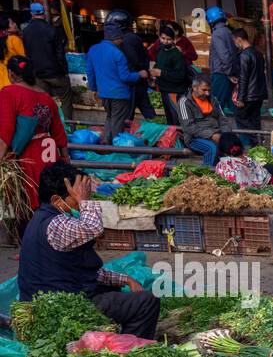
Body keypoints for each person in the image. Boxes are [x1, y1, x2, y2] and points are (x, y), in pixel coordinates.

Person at [17, 162, 160, 338]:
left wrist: (126, 279)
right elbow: (93, 228)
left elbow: (79, 269)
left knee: (115, 292)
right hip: (62, 310)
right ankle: (130, 350)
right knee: (146, 302)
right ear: (56, 200)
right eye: (75, 198)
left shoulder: (42, 218)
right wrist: (85, 200)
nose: (79, 205)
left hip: (60, 297)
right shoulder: (55, 224)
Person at [0, 55, 67, 213]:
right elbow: (59, 133)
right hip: (49, 160)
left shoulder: (9, 92)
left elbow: (5, 131)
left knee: (25, 205)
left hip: (25, 159)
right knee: (48, 202)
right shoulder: (46, 97)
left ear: (11, 73)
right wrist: (65, 159)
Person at [86, 26, 147, 144]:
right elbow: (125, 77)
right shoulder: (118, 54)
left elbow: (90, 72)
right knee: (118, 122)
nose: (122, 41)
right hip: (119, 94)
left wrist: (94, 88)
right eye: (121, 38)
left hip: (104, 93)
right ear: (116, 38)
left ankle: (106, 144)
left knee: (110, 118)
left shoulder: (93, 50)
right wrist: (139, 74)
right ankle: (115, 149)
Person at [19, 1, 71, 121]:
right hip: (55, 74)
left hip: (38, 74)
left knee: (43, 103)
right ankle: (68, 126)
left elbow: (28, 54)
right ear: (44, 13)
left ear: (32, 14)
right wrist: (65, 71)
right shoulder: (52, 30)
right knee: (66, 100)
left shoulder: (26, 32)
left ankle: (47, 128)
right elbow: (60, 54)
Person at [176, 73, 224, 167]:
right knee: (211, 148)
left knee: (233, 146)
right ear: (194, 87)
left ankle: (222, 174)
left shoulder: (213, 99)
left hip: (216, 134)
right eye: (204, 90)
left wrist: (227, 135)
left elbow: (223, 119)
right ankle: (206, 176)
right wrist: (211, 135)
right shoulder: (184, 102)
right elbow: (189, 127)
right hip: (194, 138)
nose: (207, 93)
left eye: (209, 90)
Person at [230, 27, 267, 142]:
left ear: (239, 39)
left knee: (241, 117)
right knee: (255, 118)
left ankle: (256, 138)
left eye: (235, 42)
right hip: (259, 93)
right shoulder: (258, 54)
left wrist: (240, 98)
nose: (235, 45)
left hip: (249, 95)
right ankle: (258, 141)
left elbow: (244, 78)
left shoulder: (244, 55)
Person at [152, 25, 192, 126]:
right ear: (159, 37)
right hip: (162, 91)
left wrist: (161, 73)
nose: (165, 41)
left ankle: (180, 141)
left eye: (168, 39)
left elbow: (180, 76)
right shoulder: (160, 51)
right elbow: (160, 64)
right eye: (163, 38)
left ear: (174, 39)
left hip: (174, 93)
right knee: (168, 122)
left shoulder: (177, 55)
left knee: (177, 122)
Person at [206, 6, 238, 114]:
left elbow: (225, 56)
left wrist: (228, 74)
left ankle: (215, 130)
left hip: (221, 74)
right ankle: (243, 129)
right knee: (233, 106)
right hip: (228, 73)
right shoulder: (228, 31)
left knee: (215, 107)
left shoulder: (216, 34)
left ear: (210, 21)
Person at [0, 12, 25, 90]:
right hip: (13, 78)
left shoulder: (2, 41)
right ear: (7, 29)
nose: (15, 24)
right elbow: (24, 59)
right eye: (12, 23)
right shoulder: (14, 39)